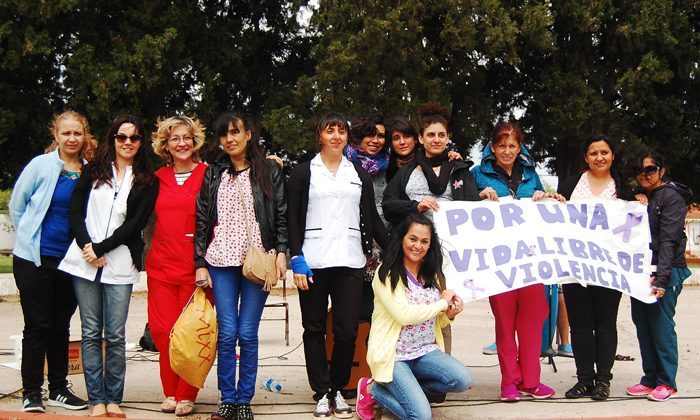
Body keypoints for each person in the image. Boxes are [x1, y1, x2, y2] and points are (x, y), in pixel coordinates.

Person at [287, 112, 389, 418]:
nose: (335, 136)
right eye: (329, 131)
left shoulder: (358, 172)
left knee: (346, 331)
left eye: (341, 131)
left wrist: (396, 249)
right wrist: (296, 258)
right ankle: (321, 392)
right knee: (314, 328)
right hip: (313, 261)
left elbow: (371, 216)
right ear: (319, 136)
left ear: (347, 137)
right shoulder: (304, 172)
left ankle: (338, 389)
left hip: (350, 260)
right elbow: (292, 217)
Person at [59, 115, 158, 417]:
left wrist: (102, 249)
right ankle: (96, 400)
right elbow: (75, 211)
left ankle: (114, 397)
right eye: (121, 137)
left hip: (119, 262)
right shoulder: (93, 171)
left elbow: (135, 224)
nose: (127, 143)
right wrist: (87, 246)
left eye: (134, 138)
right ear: (112, 138)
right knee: (90, 333)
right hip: (84, 260)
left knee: (114, 335)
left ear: (141, 143)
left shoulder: (147, 180)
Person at [194, 111, 288, 420]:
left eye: (235, 132)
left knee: (247, 332)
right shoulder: (213, 173)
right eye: (224, 135)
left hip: (257, 261)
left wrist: (282, 251)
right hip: (220, 260)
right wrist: (200, 262)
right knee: (227, 332)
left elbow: (281, 214)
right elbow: (203, 218)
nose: (230, 139)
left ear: (248, 134)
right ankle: (227, 398)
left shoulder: (269, 170)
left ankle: (244, 399)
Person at [9, 111, 96, 413]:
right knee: (38, 324)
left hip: (70, 261)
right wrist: (30, 239)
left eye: (77, 134)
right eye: (66, 133)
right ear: (56, 135)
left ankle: (59, 388)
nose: (72, 139)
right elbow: (17, 206)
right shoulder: (40, 166)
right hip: (35, 258)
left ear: (85, 136)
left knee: (61, 325)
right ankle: (32, 391)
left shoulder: (90, 171)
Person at [471, 120, 563, 402]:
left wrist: (546, 197)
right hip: (498, 263)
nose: (507, 151)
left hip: (531, 262)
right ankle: (509, 382)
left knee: (533, 322)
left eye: (512, 145)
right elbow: (463, 209)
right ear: (492, 147)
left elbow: (543, 207)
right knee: (505, 323)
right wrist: (478, 198)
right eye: (502, 146)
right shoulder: (478, 174)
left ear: (520, 147)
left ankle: (531, 382)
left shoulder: (531, 174)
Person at [382, 103, 479, 355]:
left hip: (445, 254)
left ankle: (440, 371)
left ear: (447, 138)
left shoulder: (459, 169)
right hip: (410, 252)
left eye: (441, 135)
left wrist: (484, 197)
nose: (436, 139)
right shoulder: (406, 171)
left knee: (442, 308)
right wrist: (414, 205)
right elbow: (388, 204)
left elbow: (473, 208)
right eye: (431, 135)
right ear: (421, 139)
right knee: (408, 307)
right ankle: (404, 364)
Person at [356, 213, 472, 420]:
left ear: (430, 245)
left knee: (461, 379)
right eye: (413, 239)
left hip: (424, 352)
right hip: (395, 356)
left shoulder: (431, 274)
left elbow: (434, 320)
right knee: (421, 416)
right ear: (402, 239)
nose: (418, 245)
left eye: (424, 241)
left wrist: (449, 314)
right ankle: (372, 390)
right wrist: (442, 303)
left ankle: (396, 391)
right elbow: (404, 316)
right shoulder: (387, 273)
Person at [557, 135, 632, 400]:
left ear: (612, 155)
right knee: (579, 326)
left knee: (604, 324)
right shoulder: (571, 185)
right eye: (593, 153)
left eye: (604, 152)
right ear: (585, 157)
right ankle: (584, 379)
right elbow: (551, 217)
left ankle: (603, 380)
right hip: (575, 268)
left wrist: (642, 202)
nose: (599, 157)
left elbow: (634, 228)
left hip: (610, 269)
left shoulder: (623, 190)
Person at [146, 116, 208, 416]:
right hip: (160, 265)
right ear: (165, 145)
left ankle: (186, 393)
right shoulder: (157, 177)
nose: (181, 143)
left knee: (190, 333)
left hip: (195, 267)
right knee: (163, 331)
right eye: (174, 139)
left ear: (195, 141)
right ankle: (169, 390)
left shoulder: (209, 175)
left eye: (186, 137)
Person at [626, 150, 692, 402]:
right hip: (641, 272)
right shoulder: (645, 197)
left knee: (661, 327)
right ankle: (650, 378)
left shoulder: (671, 198)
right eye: (639, 170)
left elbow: (668, 241)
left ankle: (667, 382)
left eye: (650, 169)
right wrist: (636, 197)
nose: (644, 174)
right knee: (643, 326)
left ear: (662, 171)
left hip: (666, 271)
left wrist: (663, 279)